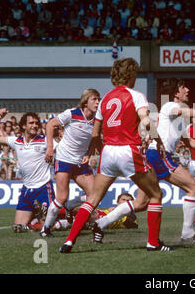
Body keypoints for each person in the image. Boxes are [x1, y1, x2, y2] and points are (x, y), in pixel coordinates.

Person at [60, 58, 172, 253]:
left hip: (108, 152)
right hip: (128, 150)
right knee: (155, 194)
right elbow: (146, 121)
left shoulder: (105, 100)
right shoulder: (135, 96)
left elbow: (95, 134)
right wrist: (159, 141)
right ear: (130, 75)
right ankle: (153, 243)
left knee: (92, 199)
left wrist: (103, 148)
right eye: (135, 74)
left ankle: (69, 241)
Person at [143, 78, 195, 244]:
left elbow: (189, 142)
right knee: (194, 187)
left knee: (141, 202)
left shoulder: (178, 117)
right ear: (176, 93)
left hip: (157, 154)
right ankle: (188, 233)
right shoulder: (170, 107)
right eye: (183, 88)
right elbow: (183, 112)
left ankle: (100, 224)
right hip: (160, 155)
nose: (187, 90)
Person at [40, 89, 100, 238]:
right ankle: (45, 229)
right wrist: (49, 148)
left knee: (95, 194)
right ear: (86, 101)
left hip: (80, 162)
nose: (98, 102)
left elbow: (95, 139)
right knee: (61, 197)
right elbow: (50, 125)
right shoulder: (72, 113)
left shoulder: (98, 120)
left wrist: (88, 154)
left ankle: (73, 214)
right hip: (64, 159)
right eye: (94, 99)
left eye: (98, 99)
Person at [0, 109, 55, 232]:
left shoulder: (45, 141)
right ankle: (36, 217)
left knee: (47, 228)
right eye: (31, 123)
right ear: (24, 126)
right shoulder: (16, 141)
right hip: (26, 190)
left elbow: (64, 147)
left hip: (43, 188)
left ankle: (62, 219)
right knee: (17, 228)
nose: (35, 125)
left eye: (36, 123)